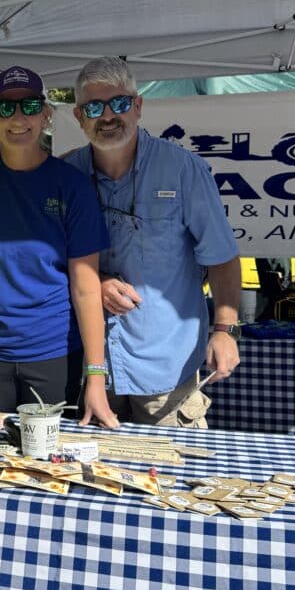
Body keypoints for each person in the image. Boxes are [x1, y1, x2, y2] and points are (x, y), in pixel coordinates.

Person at [63, 56, 242, 428]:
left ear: (138, 106)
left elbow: (222, 256)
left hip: (166, 370)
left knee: (172, 466)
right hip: (90, 370)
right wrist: (96, 282)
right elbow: (49, 259)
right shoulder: (65, 173)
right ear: (79, 117)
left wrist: (225, 330)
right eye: (94, 107)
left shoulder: (183, 169)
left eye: (119, 103)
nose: (108, 116)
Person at [0, 65, 115, 423]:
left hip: (53, 351)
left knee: (48, 453)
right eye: (6, 108)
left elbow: (86, 286)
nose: (18, 118)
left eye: (30, 106)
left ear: (46, 115)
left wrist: (96, 376)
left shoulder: (72, 185)